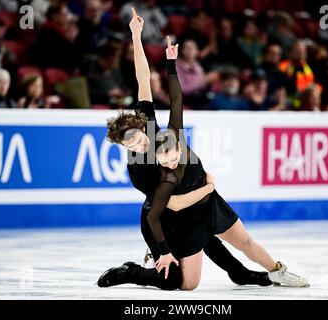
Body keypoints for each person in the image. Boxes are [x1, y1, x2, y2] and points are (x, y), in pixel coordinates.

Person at [99, 8, 272, 290]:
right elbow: (171, 206)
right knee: (178, 283)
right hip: (161, 219)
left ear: (143, 127)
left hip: (185, 209)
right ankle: (130, 272)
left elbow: (143, 79)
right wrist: (163, 249)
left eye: (137, 137)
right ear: (122, 146)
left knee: (202, 225)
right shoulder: (138, 171)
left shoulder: (154, 129)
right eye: (128, 144)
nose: (137, 144)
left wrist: (136, 36)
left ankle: (240, 272)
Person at [144, 41, 309, 290]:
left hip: (212, 206)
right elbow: (170, 207)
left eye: (173, 154)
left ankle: (278, 271)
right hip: (188, 216)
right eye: (164, 159)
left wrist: (170, 64)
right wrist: (207, 189)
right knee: (189, 285)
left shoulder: (174, 136)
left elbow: (176, 99)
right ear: (156, 159)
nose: (171, 160)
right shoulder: (162, 178)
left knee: (245, 242)